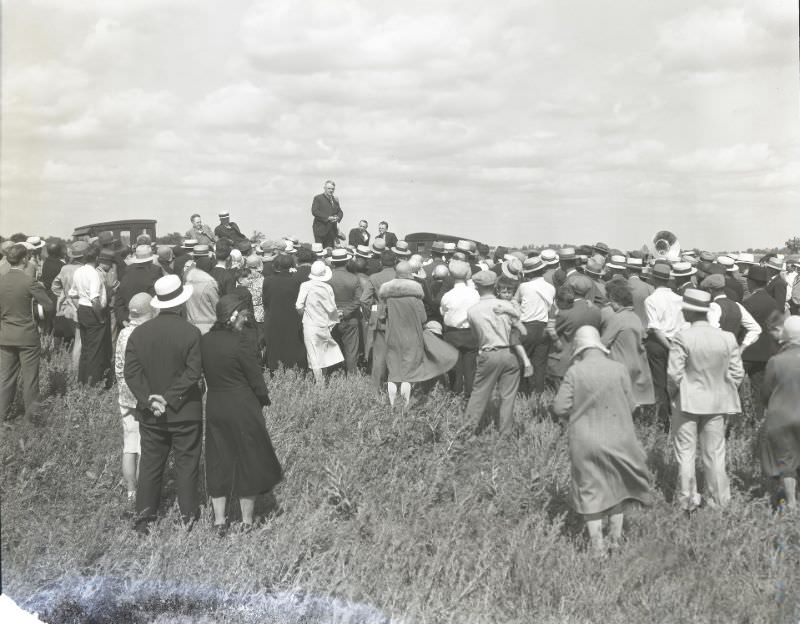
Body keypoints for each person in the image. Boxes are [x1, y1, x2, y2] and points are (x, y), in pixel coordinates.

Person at [550, 326, 652, 557]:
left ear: (579, 348)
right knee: (617, 486)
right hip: (620, 436)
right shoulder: (619, 369)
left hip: (586, 439)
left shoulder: (575, 372)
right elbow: (632, 404)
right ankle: (615, 540)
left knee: (589, 489)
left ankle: (597, 546)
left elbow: (559, 407)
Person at [124, 274, 202, 533]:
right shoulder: (191, 332)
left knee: (150, 464)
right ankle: (188, 518)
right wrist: (169, 398)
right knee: (186, 464)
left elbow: (131, 373)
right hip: (184, 411)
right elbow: (193, 373)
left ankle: (145, 518)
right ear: (180, 303)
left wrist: (149, 399)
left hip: (151, 413)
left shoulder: (139, 333)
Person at [201, 295, 282, 534]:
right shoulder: (241, 343)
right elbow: (255, 377)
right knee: (247, 457)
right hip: (242, 403)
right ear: (233, 315)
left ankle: (219, 520)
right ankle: (246, 521)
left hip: (215, 402)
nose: (244, 321)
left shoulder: (204, 341)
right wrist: (263, 398)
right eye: (243, 316)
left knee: (217, 457)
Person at [667, 288, 744, 511]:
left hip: (687, 401)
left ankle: (687, 501)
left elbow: (674, 373)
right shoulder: (727, 337)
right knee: (715, 454)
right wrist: (724, 389)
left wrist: (673, 394)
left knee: (686, 453)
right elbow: (737, 372)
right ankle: (719, 502)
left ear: (690, 313)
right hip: (717, 402)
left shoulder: (683, 337)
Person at [379, 261, 457, 407]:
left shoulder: (387, 296)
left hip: (392, 337)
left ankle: (392, 406)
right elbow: (423, 318)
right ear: (410, 275)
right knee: (408, 374)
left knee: (393, 372)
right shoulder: (415, 297)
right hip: (412, 338)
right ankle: (405, 406)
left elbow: (381, 316)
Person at [0, 244, 55, 422]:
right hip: (27, 336)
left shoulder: (1, 280)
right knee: (30, 378)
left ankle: (2, 417)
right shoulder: (28, 281)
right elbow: (48, 305)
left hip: (6, 335)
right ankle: (33, 419)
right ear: (24, 259)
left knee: (6, 378)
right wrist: (34, 308)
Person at [463, 270, 521, 434]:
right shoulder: (507, 305)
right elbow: (518, 328)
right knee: (508, 396)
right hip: (510, 353)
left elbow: (476, 336)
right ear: (495, 285)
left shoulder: (473, 311)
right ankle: (506, 432)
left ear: (476, 287)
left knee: (479, 394)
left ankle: (467, 431)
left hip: (489, 352)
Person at [114, 292, 154, 506]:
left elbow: (119, 368)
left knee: (130, 444)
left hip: (124, 395)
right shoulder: (144, 335)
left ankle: (131, 491)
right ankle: (144, 494)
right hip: (142, 397)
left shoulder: (123, 333)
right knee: (145, 446)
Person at [759, 316, 800, 511]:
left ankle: (791, 503)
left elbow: (765, 393)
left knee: (786, 461)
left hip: (782, 417)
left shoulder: (776, 361)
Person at [644, 263, 687, 430]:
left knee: (660, 383)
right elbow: (684, 324)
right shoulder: (679, 298)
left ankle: (663, 422)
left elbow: (655, 328)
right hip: (677, 342)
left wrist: (668, 347)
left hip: (658, 344)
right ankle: (678, 418)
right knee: (676, 382)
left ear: (653, 279)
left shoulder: (651, 300)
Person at [601, 280, 655, 408]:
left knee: (616, 402)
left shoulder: (618, 318)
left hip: (619, 363)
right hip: (636, 363)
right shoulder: (635, 317)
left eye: (612, 302)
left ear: (617, 302)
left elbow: (604, 342)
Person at [295, 261, 344, 383]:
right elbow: (332, 308)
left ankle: (320, 383)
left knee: (313, 354)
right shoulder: (327, 287)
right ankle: (324, 379)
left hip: (310, 325)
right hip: (325, 324)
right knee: (324, 353)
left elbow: (298, 305)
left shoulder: (305, 285)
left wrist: (306, 314)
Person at [515, 256, 556, 395]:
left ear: (529, 273)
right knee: (540, 364)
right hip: (544, 327)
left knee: (521, 361)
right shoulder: (551, 288)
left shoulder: (524, 286)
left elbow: (515, 302)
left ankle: (522, 392)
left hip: (527, 326)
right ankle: (538, 393)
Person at [440, 260, 479, 396]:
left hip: (452, 334)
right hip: (470, 333)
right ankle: (470, 394)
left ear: (451, 274)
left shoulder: (448, 295)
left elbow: (443, 312)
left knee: (455, 368)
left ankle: (455, 393)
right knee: (470, 368)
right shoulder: (474, 294)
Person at [262, 254, 307, 372]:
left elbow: (265, 301)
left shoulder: (268, 281)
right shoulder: (296, 280)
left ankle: (275, 372)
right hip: (293, 319)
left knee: (275, 347)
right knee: (292, 346)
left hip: (273, 318)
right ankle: (295, 370)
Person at [73, 245, 111, 385]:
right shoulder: (94, 273)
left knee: (86, 348)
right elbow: (95, 298)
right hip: (93, 311)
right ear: (96, 258)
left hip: (83, 309)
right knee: (96, 350)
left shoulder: (79, 271)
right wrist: (100, 317)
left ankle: (82, 379)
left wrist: (80, 308)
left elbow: (72, 294)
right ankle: (93, 383)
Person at [361, 249, 397, 387]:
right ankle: (395, 387)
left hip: (379, 319)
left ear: (381, 262)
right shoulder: (400, 277)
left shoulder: (374, 277)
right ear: (395, 262)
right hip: (398, 319)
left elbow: (364, 300)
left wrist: (370, 313)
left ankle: (376, 390)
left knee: (379, 357)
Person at [328, 248, 362, 374]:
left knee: (333, 348)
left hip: (331, 317)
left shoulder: (328, 278)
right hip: (351, 317)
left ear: (333, 262)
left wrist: (336, 311)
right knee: (351, 350)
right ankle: (351, 377)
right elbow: (359, 299)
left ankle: (335, 374)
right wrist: (346, 311)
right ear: (347, 262)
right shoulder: (354, 278)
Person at [114, 245, 160, 328]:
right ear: (151, 258)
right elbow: (156, 299)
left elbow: (118, 298)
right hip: (147, 321)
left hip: (128, 320)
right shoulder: (156, 271)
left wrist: (123, 319)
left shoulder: (127, 270)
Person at [183, 247, 220, 335]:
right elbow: (217, 307)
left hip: (191, 325)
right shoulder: (209, 284)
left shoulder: (187, 280)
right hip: (208, 328)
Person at [311, 180, 343, 247]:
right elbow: (314, 211)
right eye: (329, 188)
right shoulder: (318, 198)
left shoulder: (335, 199)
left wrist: (338, 218)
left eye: (332, 189)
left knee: (330, 253)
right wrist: (328, 217)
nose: (331, 190)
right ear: (324, 188)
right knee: (320, 252)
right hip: (320, 230)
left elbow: (340, 211)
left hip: (332, 231)